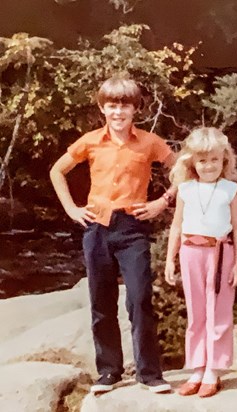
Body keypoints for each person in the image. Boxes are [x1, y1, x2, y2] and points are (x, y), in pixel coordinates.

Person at [49, 76, 176, 394]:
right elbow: (57, 171)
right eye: (112, 106)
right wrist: (72, 209)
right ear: (102, 108)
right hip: (97, 227)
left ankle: (149, 372)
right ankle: (109, 371)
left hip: (133, 227)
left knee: (139, 298)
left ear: (135, 109)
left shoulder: (149, 142)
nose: (118, 112)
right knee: (101, 300)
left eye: (125, 106)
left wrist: (161, 202)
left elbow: (184, 170)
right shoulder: (90, 141)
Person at [164, 127, 237, 398]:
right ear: (192, 162)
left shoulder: (230, 189)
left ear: (224, 160)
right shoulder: (185, 189)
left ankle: (214, 369)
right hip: (190, 252)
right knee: (196, 312)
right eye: (202, 160)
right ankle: (197, 367)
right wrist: (169, 260)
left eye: (214, 160)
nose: (208, 166)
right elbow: (176, 227)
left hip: (220, 253)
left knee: (219, 312)